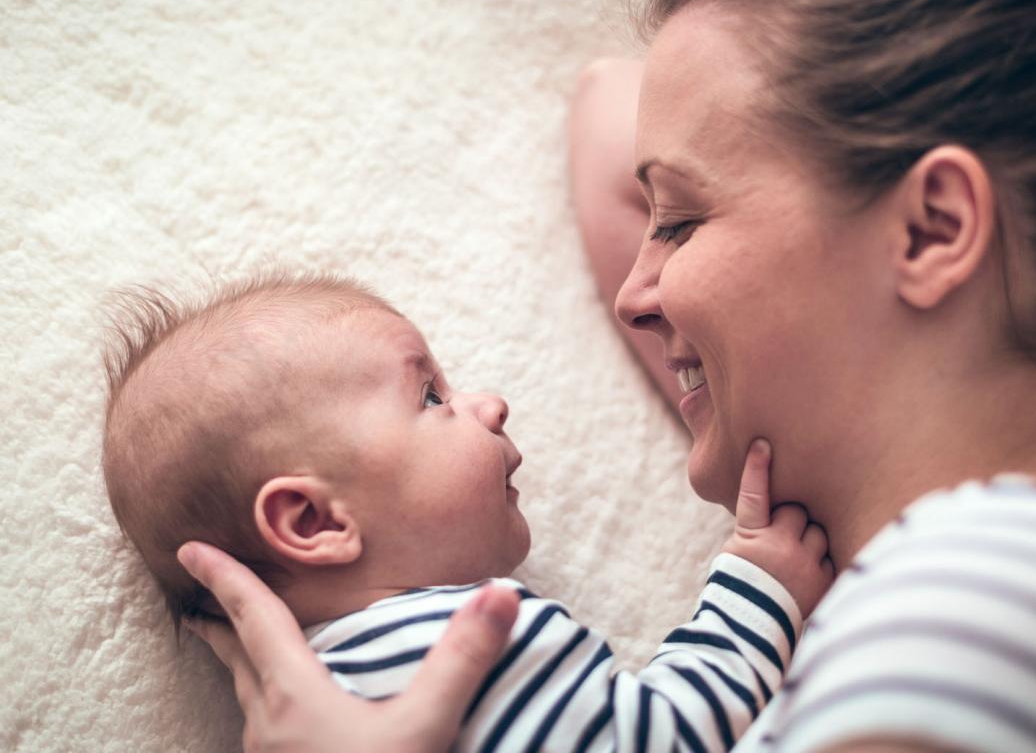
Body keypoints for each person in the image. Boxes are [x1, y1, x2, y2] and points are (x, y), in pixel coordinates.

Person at [179, 0, 1036, 750]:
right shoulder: (1028, 574)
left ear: (933, 231)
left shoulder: (1008, 592)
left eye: (680, 221)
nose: (633, 292)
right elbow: (609, 98)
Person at [102, 272, 833, 751]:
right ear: (316, 522)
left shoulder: (317, 706)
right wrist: (758, 590)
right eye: (431, 399)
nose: (488, 406)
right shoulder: (466, 645)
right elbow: (671, 737)